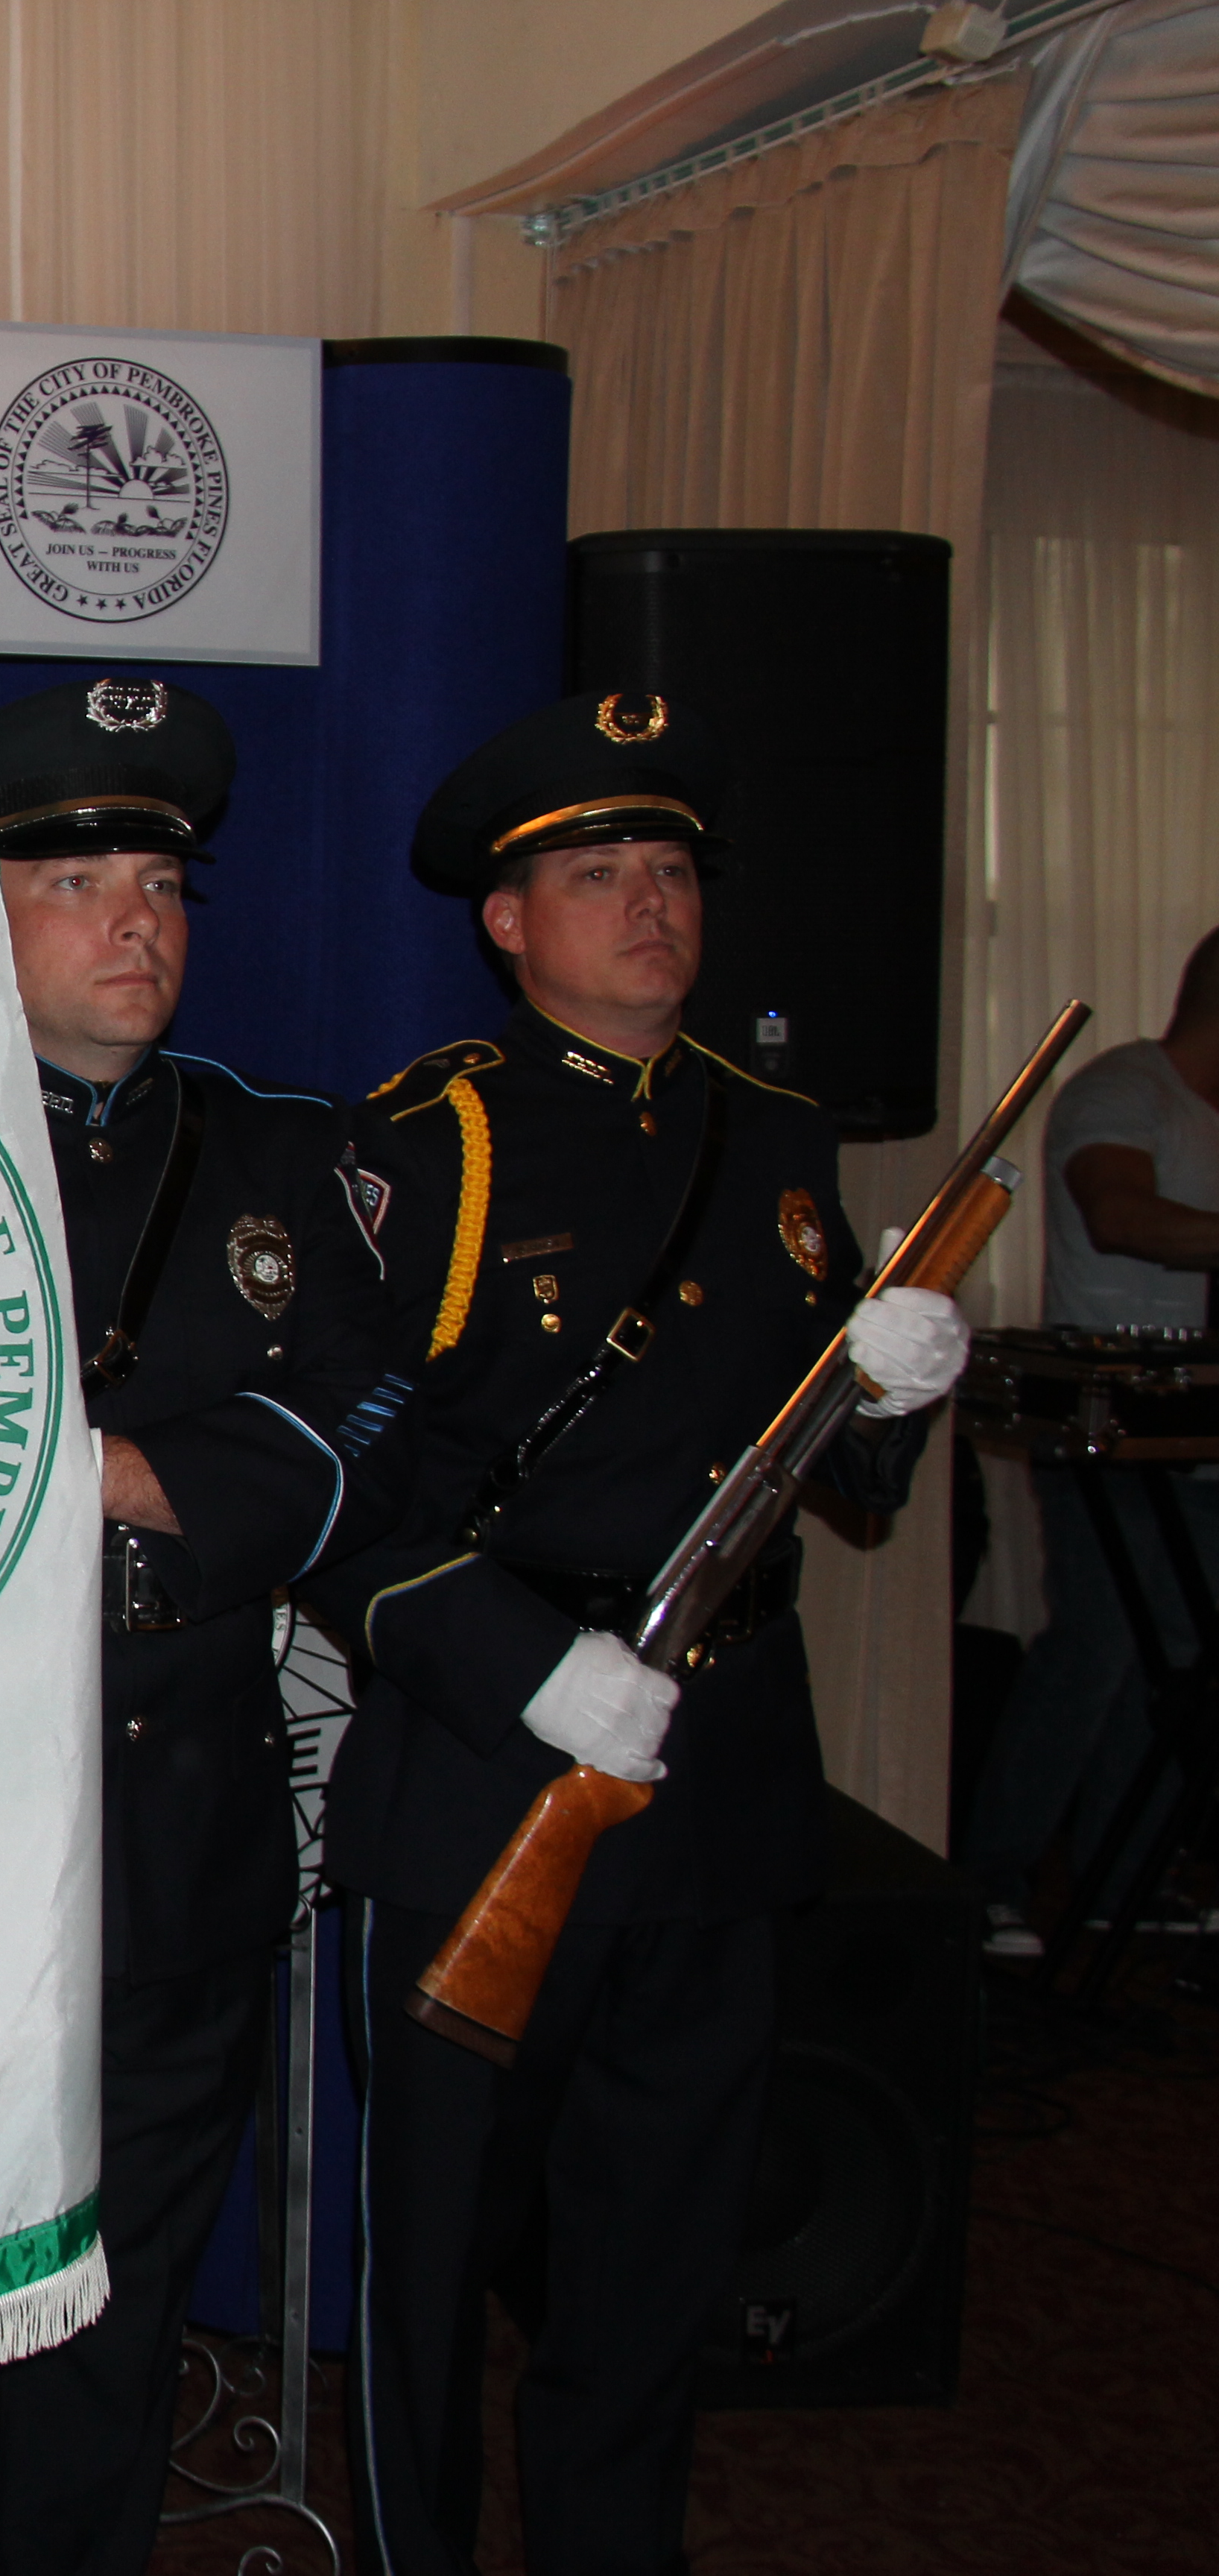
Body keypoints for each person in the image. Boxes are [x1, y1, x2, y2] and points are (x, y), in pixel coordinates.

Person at [307, 693, 970, 2576]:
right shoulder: (427, 1146)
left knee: (661, 2234)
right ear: (508, 924)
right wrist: (530, 1665)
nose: (650, 909)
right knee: (435, 2243)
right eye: (596, 876)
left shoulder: (778, 1131)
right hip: (489, 1761)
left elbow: (831, 1461)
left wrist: (902, 1390)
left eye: (671, 870)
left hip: (726, 1752)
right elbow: (338, 1499)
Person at [0, 675, 412, 2574]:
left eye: (161, 880)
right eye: (77, 880)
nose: (136, 922)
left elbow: (365, 1425)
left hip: (179, 1806)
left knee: (116, 2290)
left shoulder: (287, 1156)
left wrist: (118, 1473)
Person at [957, 927, 1219, 1955]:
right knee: (1096, 1651)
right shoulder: (1125, 1091)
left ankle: (1120, 1876)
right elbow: (1121, 1217)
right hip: (1109, 1434)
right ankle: (986, 1883)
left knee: (1177, 1657)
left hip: (1193, 1439)